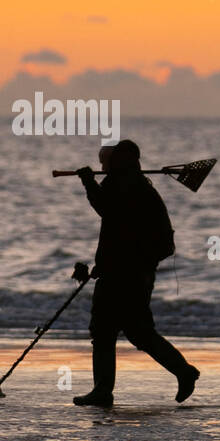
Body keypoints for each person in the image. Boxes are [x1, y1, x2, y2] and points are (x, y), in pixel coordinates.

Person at [73, 139, 199, 406]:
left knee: (110, 331)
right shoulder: (132, 185)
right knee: (132, 332)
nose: (102, 168)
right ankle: (182, 371)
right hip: (128, 273)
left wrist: (87, 182)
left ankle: (104, 390)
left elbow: (106, 209)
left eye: (105, 163)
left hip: (126, 276)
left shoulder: (128, 186)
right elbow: (119, 230)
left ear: (117, 162)